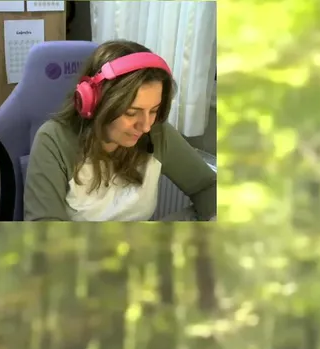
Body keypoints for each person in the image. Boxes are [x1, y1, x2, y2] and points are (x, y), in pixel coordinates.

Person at [23, 40, 215, 221]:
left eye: (154, 111)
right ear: (95, 103)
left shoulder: (157, 133)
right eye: (131, 113)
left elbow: (208, 187)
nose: (146, 126)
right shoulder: (54, 140)